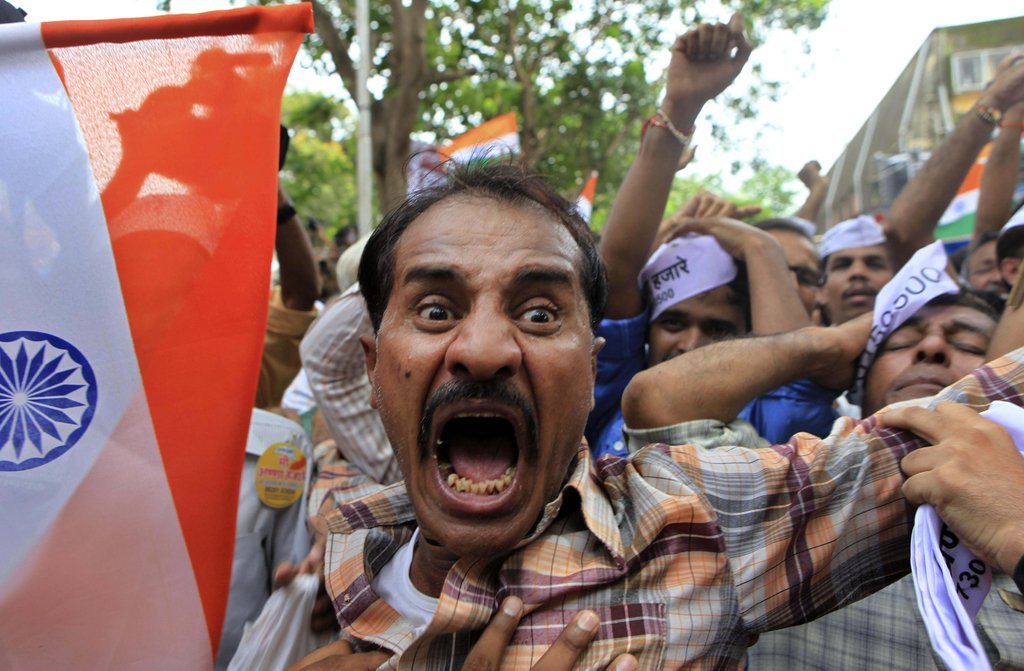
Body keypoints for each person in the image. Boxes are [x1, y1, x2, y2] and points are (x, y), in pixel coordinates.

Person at [284, 153, 1024, 669]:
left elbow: (976, 410)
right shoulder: (341, 554)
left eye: (539, 313)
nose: (482, 349)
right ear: (374, 369)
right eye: (436, 309)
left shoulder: (693, 521)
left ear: (593, 369)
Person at [587, 14, 809, 456]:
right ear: (645, 330)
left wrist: (758, 246)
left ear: (749, 333)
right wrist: (681, 105)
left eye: (719, 329)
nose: (690, 346)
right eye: (673, 322)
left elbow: (792, 359)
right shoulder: (615, 391)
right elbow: (615, 268)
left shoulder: (770, 414)